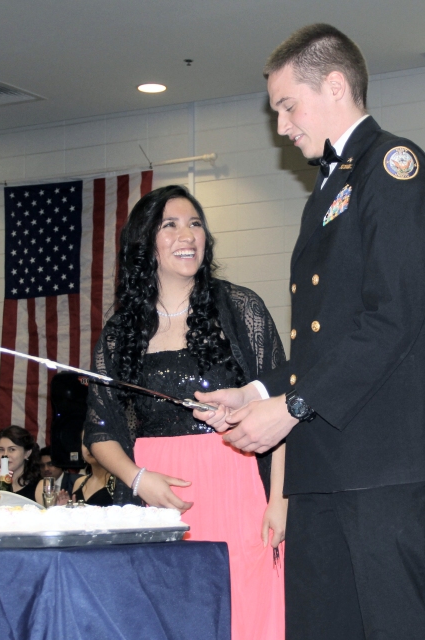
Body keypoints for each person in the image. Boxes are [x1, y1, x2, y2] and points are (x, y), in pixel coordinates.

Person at [194, 23, 425, 640]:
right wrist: (260, 396)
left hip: (383, 465)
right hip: (325, 465)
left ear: (335, 86)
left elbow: (393, 318)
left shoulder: (394, 169)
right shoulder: (328, 190)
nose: (282, 126)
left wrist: (293, 406)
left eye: (289, 105)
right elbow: (323, 338)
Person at [83, 184, 288, 640]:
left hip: (239, 488)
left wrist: (280, 500)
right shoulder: (121, 331)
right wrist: (138, 479)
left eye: (195, 223)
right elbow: (100, 430)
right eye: (170, 225)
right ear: (145, 244)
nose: (188, 234)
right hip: (157, 499)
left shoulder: (241, 307)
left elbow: (283, 406)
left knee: (245, 617)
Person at [0, 425, 42, 500]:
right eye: (1, 450)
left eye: (12, 449)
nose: (5, 455)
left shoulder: (40, 486)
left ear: (27, 453)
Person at [68, 431, 114, 506]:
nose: (89, 447)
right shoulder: (79, 482)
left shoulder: (119, 482)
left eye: (95, 441)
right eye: (85, 442)